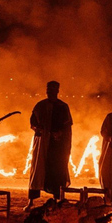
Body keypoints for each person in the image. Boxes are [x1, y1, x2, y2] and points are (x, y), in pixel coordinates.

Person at [24, 81, 73, 211]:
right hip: (41, 144)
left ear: (57, 91)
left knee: (56, 170)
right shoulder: (40, 106)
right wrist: (37, 128)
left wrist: (59, 134)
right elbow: (32, 122)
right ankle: (31, 201)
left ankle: (58, 199)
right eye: (48, 89)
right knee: (37, 170)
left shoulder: (63, 107)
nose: (50, 92)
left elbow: (67, 125)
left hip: (56, 145)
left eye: (52, 89)